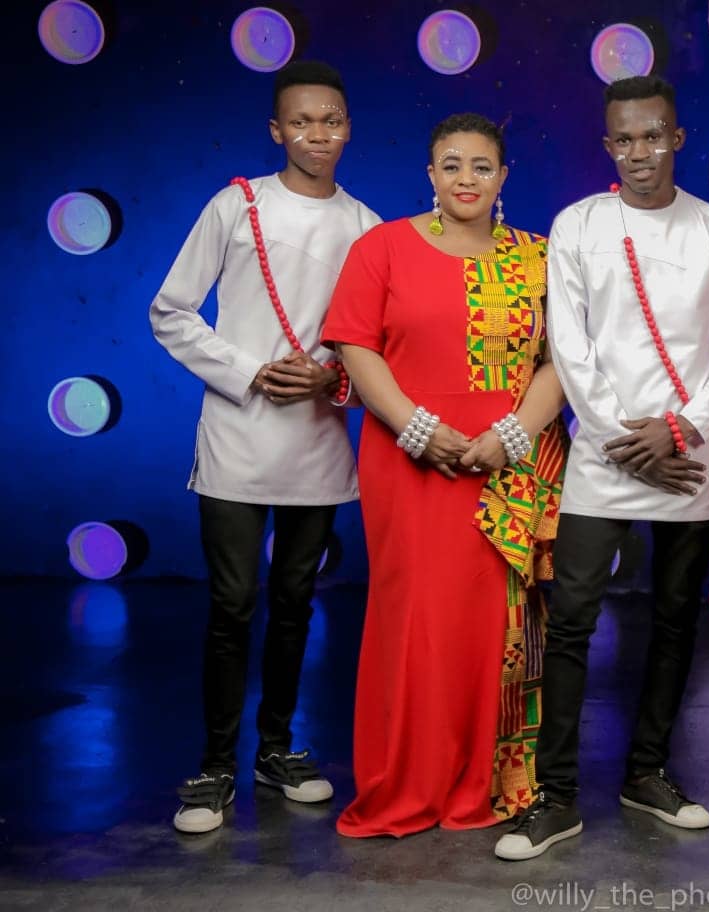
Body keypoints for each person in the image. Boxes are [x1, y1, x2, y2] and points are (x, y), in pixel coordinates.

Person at [492, 75, 709, 862]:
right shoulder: (579, 225)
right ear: (608, 145)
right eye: (624, 139)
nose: (639, 151)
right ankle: (557, 797)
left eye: (653, 135)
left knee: (675, 620)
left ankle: (647, 774)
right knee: (571, 622)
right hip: (604, 459)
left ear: (678, 138)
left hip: (687, 460)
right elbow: (570, 346)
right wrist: (623, 440)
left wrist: (683, 430)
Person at [150, 60, 380, 835]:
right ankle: (215, 765)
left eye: (331, 120)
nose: (318, 134)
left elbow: (375, 342)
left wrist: (329, 378)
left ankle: (275, 750)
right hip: (237, 437)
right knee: (232, 604)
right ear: (277, 130)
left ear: (348, 129)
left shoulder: (366, 226)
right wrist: (248, 371)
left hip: (317, 441)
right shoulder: (235, 205)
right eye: (302, 121)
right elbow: (171, 311)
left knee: (295, 603)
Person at [322, 113, 568, 837]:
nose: (466, 179)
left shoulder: (538, 257)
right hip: (409, 463)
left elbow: (565, 361)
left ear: (504, 176)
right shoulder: (382, 247)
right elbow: (355, 345)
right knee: (415, 620)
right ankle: (406, 781)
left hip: (507, 469)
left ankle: (484, 780)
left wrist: (511, 437)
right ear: (430, 174)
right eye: (451, 165)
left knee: (494, 626)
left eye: (481, 166)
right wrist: (417, 428)